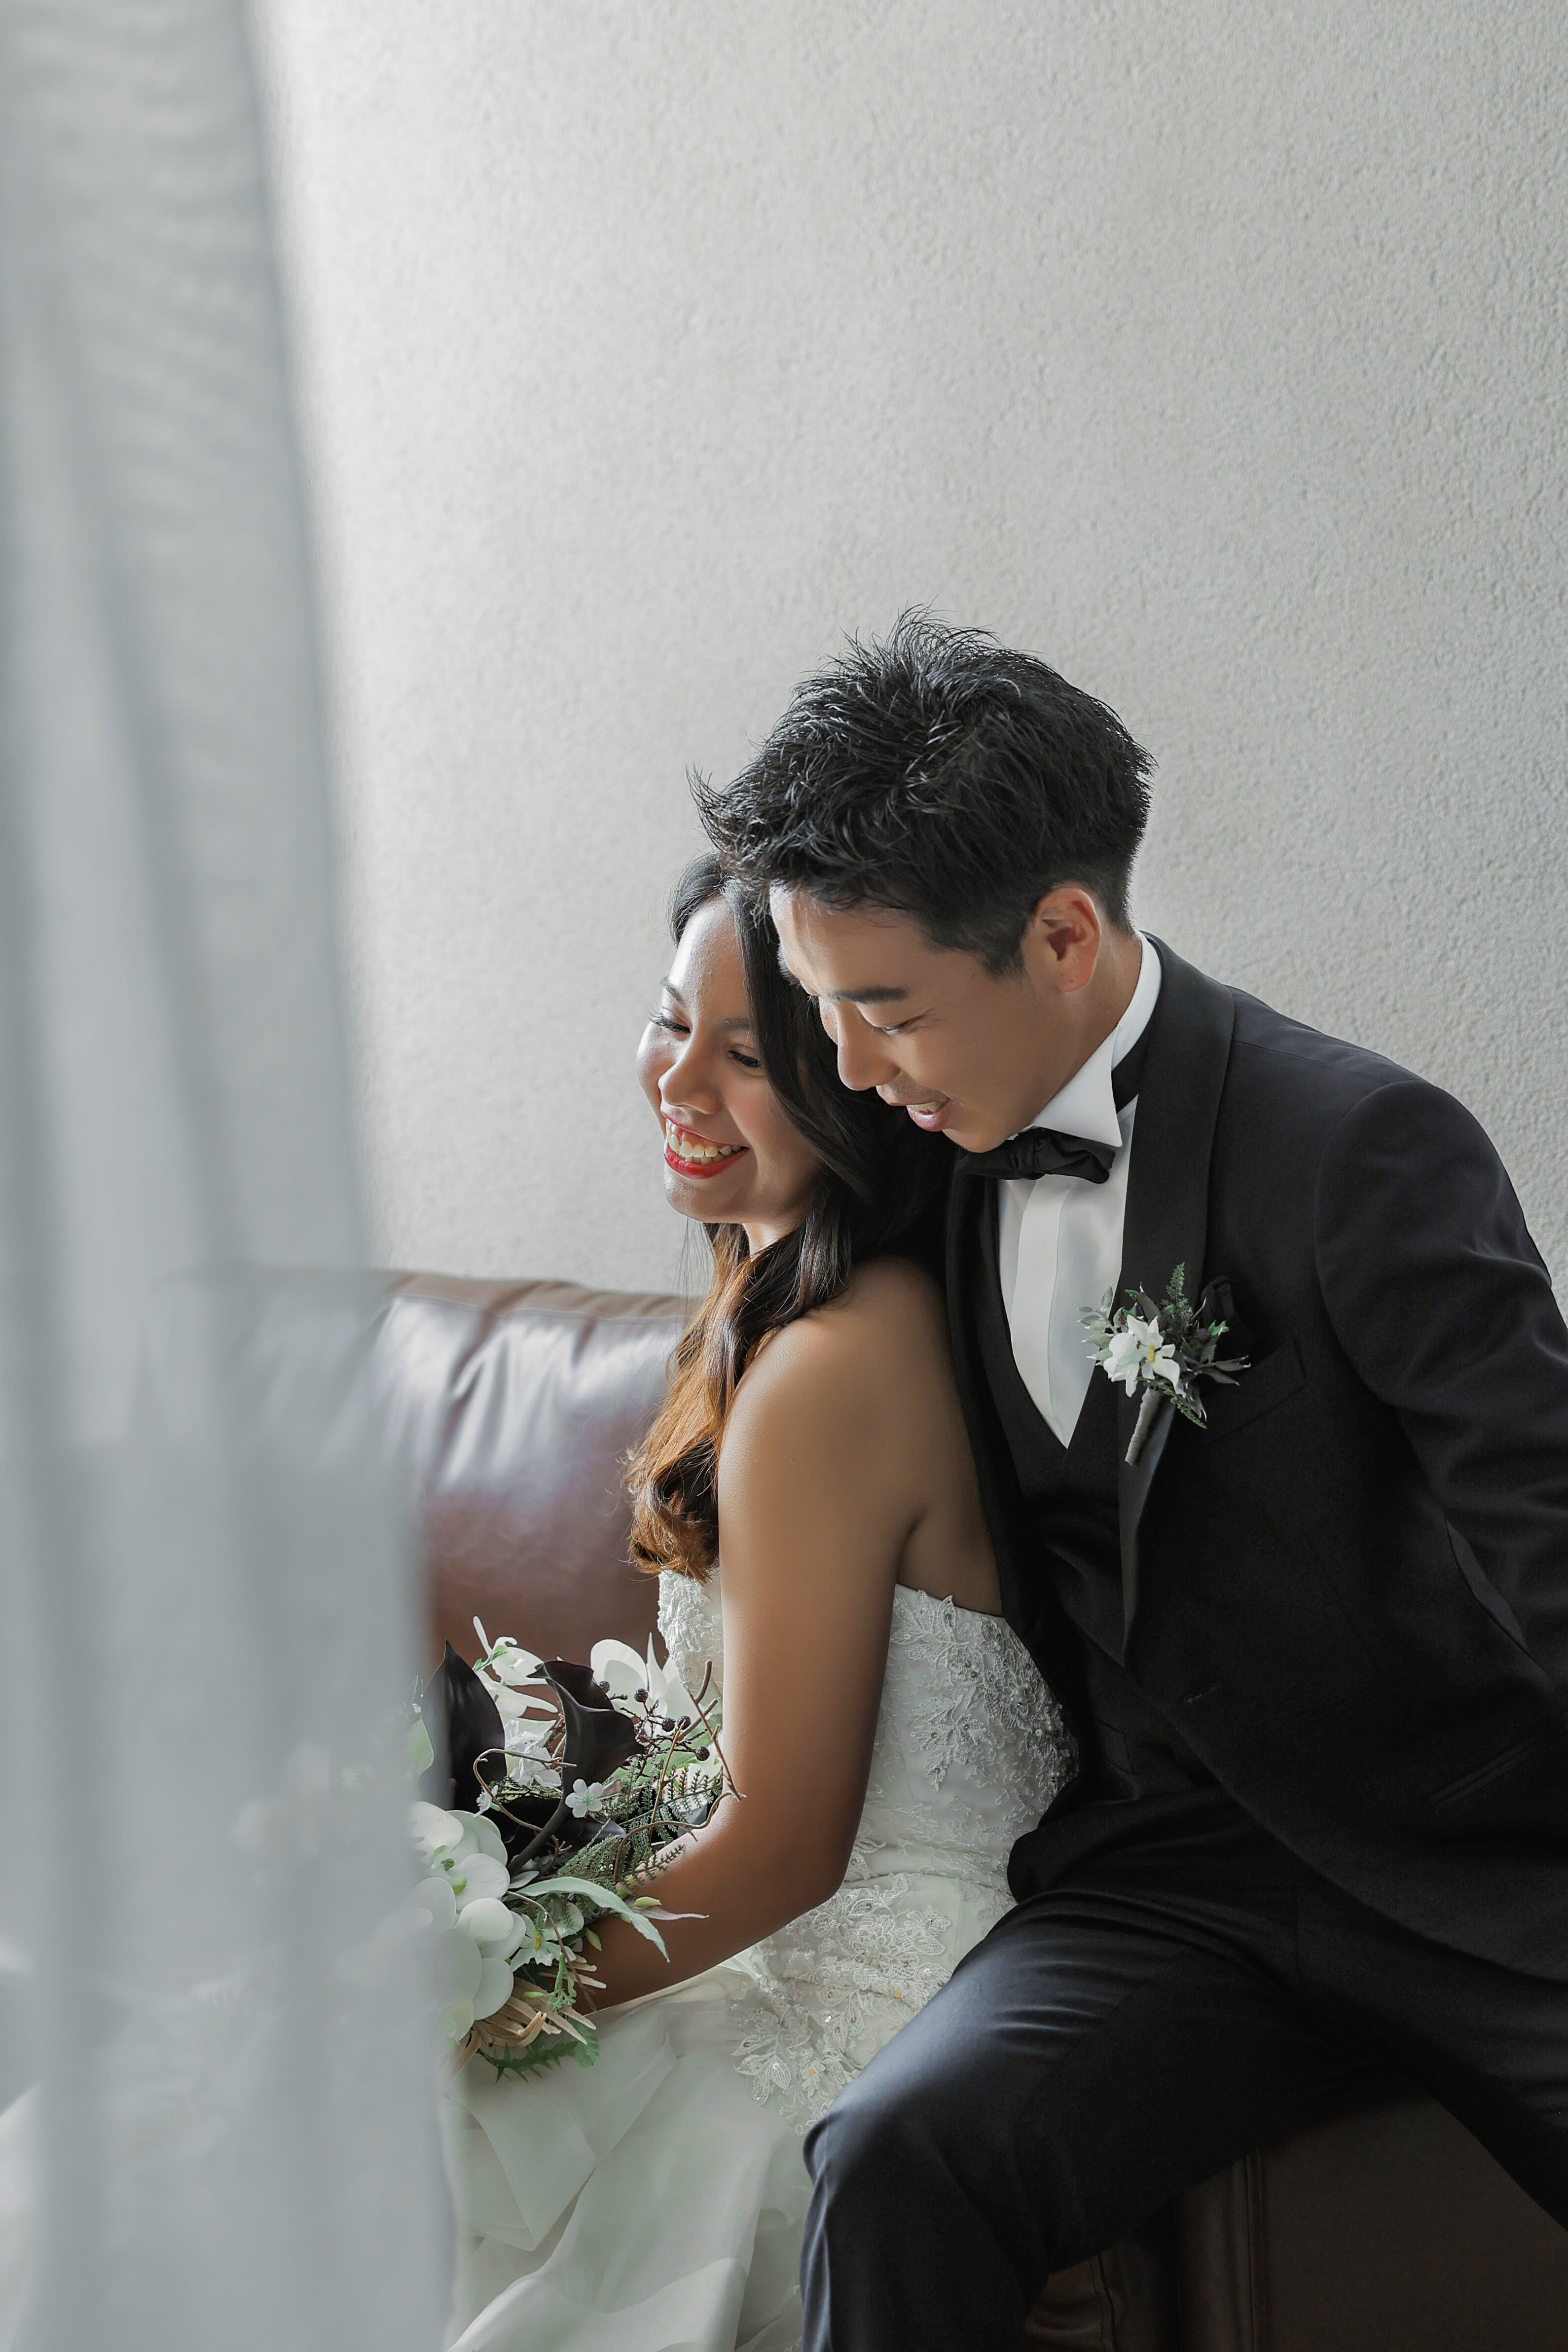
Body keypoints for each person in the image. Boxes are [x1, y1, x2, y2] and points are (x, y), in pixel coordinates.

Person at [697, 613, 1568, 2351]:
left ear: (1063, 933)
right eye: (819, 1006)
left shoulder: (1357, 1148)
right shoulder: (923, 1149)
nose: (848, 1066)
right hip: (1172, 1881)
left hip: (1467, 1872)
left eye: (882, 1010)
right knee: (892, 2152)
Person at [439, 855, 1073, 2351]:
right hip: (795, 1939)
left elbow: (785, 1846)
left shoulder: (831, 1369)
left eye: (747, 1056)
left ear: (858, 1080)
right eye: (673, 1023)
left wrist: (496, 1993)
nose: (680, 1081)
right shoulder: (800, 1303)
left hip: (860, 1981)